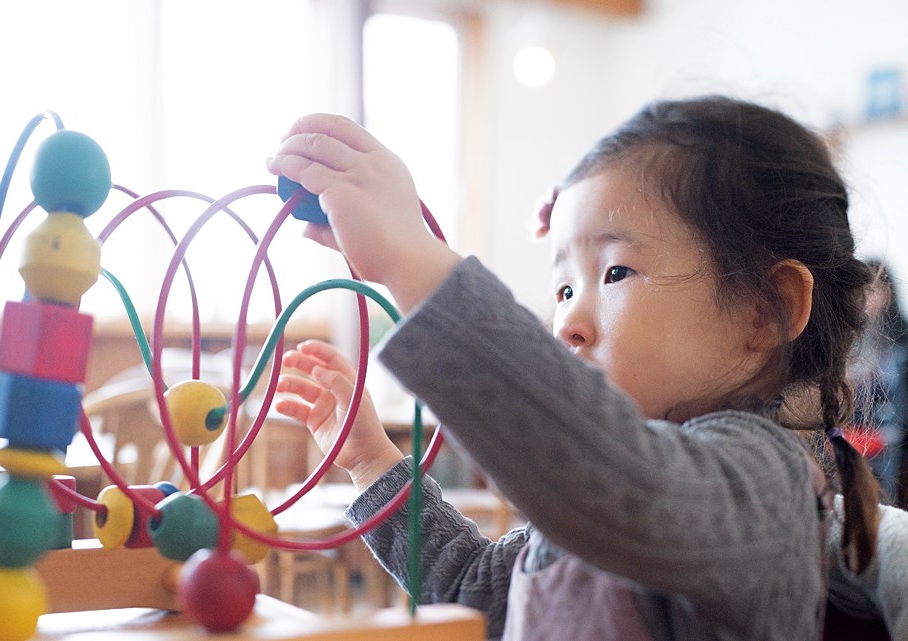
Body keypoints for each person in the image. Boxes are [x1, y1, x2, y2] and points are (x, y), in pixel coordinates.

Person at [266, 96, 884, 640]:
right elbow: (475, 595)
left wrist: (409, 258)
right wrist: (371, 461)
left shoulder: (763, 483)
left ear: (763, 311)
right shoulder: (600, 494)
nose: (567, 323)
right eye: (562, 289)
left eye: (615, 272)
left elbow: (625, 487)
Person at [850, 259, 908, 507]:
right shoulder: (854, 335)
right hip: (858, 430)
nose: (866, 298)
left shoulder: (901, 336)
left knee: (886, 495)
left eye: (872, 289)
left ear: (887, 292)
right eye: (860, 290)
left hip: (893, 431)